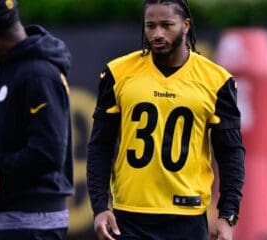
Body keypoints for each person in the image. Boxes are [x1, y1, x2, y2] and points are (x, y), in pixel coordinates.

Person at [87, 0, 245, 240]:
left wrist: (228, 215)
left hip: (187, 217)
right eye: (150, 26)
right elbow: (100, 145)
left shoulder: (216, 81)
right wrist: (99, 207)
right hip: (130, 216)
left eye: (166, 25)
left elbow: (231, 153)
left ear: (185, 25)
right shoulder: (118, 73)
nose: (157, 33)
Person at [0, 0, 74, 239]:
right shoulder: (12, 65)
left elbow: (47, 153)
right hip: (8, 218)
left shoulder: (38, 73)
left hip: (31, 225)